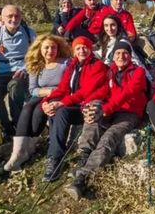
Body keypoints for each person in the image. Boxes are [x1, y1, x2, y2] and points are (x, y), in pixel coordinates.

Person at [65, 41, 148, 200]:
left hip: (130, 112)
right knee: (94, 106)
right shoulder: (111, 71)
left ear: (130, 56)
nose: (121, 56)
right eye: (117, 53)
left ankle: (83, 177)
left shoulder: (138, 72)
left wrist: (106, 109)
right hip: (112, 109)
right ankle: (84, 154)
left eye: (125, 53)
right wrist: (87, 107)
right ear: (113, 56)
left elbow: (128, 92)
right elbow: (102, 91)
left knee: (110, 136)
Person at [40, 36, 110, 182]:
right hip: (75, 104)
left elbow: (85, 91)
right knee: (56, 110)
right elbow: (63, 88)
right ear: (74, 51)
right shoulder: (72, 66)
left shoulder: (97, 66)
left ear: (90, 49)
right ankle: (55, 157)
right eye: (78, 48)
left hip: (87, 106)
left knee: (60, 109)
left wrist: (62, 102)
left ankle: (56, 157)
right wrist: (46, 101)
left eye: (85, 47)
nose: (82, 50)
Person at [4, 34, 70, 172]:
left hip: (58, 97)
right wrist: (49, 91)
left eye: (53, 47)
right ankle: (17, 153)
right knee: (28, 108)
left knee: (39, 110)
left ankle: (30, 144)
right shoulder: (36, 65)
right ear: (40, 49)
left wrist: (52, 92)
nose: (50, 51)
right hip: (42, 94)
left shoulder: (65, 63)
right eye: (46, 47)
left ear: (58, 49)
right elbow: (33, 89)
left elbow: (67, 86)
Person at [0, 5, 36, 136]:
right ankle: (6, 128)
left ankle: (18, 123)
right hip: (1, 72)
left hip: (21, 72)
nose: (13, 19)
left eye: (17, 16)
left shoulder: (29, 33)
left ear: (21, 17)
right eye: (9, 16)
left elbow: (36, 56)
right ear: (2, 18)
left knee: (15, 87)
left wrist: (25, 69)